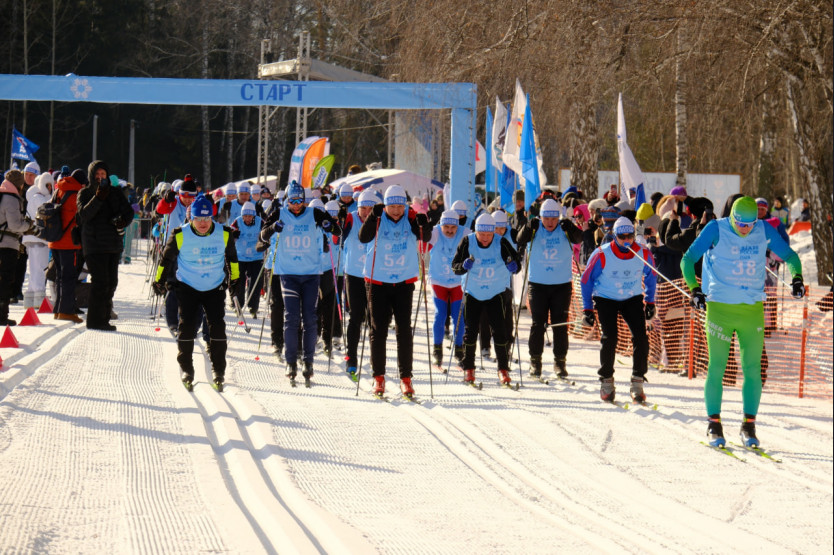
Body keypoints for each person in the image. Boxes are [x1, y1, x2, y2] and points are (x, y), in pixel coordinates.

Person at [681, 196, 804, 448]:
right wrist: (694, 289)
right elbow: (687, 260)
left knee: (752, 369)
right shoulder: (716, 228)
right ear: (732, 218)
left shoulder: (763, 229)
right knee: (717, 367)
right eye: (740, 224)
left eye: (750, 224)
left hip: (751, 311)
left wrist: (797, 278)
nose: (746, 229)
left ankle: (749, 425)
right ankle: (714, 424)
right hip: (720, 309)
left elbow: (791, 256)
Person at [153, 194, 239, 392]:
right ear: (191, 218)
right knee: (187, 327)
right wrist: (159, 280)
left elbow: (232, 260)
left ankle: (219, 370)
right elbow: (166, 260)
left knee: (217, 328)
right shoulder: (180, 234)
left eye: (207, 218)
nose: (203, 223)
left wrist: (234, 280)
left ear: (212, 217)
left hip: (214, 286)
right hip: (188, 286)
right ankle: (186, 369)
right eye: (198, 218)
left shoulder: (224, 233)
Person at [260, 181, 340, 383]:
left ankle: (308, 361)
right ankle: (290, 361)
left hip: (311, 274)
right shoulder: (279, 213)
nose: (296, 205)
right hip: (288, 274)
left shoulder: (314, 213)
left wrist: (329, 225)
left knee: (310, 318)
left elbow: (337, 231)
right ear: (287, 200)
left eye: (299, 201)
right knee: (291, 317)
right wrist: (273, 228)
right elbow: (262, 236)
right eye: (292, 201)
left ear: (304, 200)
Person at [359, 184, 432, 397]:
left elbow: (426, 237)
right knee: (378, 330)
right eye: (392, 206)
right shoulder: (378, 217)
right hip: (378, 281)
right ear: (386, 206)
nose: (396, 211)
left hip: (403, 281)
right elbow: (363, 237)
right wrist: (372, 217)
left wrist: (423, 223)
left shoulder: (410, 217)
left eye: (400, 206)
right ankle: (379, 377)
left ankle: (406, 378)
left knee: (404, 330)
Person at [581, 216, 658, 403]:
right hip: (606, 298)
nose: (626, 241)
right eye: (622, 237)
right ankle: (606, 380)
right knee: (610, 337)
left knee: (640, 337)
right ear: (614, 236)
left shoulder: (643, 253)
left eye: (630, 236)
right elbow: (586, 280)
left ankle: (637, 381)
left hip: (631, 297)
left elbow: (651, 276)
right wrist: (587, 308)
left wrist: (650, 302)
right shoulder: (602, 254)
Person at [516, 198, 582, 380]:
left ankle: (560, 362)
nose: (550, 222)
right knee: (538, 324)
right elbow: (519, 239)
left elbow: (579, 238)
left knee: (560, 325)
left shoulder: (564, 229)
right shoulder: (535, 228)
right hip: (538, 285)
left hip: (561, 285)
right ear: (541, 217)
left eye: (554, 218)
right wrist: (528, 227)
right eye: (546, 218)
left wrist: (571, 227)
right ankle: (535, 361)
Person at [451, 213, 521, 386]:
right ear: (476, 232)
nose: (485, 238)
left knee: (500, 331)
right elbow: (455, 267)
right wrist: (463, 266)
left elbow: (517, 264)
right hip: (473, 292)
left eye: (489, 235)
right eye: (481, 234)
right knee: (470, 332)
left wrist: (514, 266)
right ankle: (469, 368)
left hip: (495, 292)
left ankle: (503, 369)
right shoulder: (467, 241)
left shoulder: (501, 242)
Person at [76, 160, 134, 331]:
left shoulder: (115, 192)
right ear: (91, 176)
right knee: (100, 282)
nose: (100, 177)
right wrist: (98, 197)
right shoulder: (85, 193)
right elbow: (84, 215)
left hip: (113, 244)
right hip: (93, 244)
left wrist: (122, 221)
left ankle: (105, 317)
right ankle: (95, 320)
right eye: (97, 174)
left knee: (111, 282)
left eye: (103, 174)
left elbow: (129, 212)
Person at [155, 175, 200, 334]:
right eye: (184, 196)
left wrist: (210, 203)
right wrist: (166, 200)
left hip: (192, 250)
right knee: (172, 285)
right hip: (173, 247)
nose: (187, 200)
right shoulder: (174, 202)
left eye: (191, 197)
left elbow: (212, 213)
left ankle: (190, 321)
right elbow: (160, 209)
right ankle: (172, 321)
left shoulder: (197, 205)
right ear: (179, 194)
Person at [339, 189, 376, 376]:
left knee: (374, 318)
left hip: (374, 275)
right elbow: (338, 237)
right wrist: (339, 223)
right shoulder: (351, 218)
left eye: (370, 208)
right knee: (355, 316)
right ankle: (351, 357)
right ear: (358, 207)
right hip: (354, 274)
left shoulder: (379, 220)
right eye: (363, 208)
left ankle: (375, 357)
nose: (366, 212)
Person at [427, 209, 466, 371]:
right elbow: (422, 245)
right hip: (438, 281)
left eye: (453, 227)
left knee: (458, 316)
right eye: (446, 227)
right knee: (440, 314)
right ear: (441, 225)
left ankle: (459, 349)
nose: (449, 231)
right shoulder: (435, 232)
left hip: (457, 282)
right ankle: (437, 349)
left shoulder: (465, 233)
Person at [49, 169, 85, 322]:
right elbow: (81, 218)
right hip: (69, 242)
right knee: (69, 277)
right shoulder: (76, 195)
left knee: (59, 277)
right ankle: (67, 311)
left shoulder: (59, 190)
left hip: (54, 240)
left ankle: (58, 310)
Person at [0, 169, 36, 325]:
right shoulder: (11, 198)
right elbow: (15, 225)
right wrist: (28, 225)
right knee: (5, 280)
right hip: (7, 244)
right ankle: (2, 316)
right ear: (18, 184)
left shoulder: (1, 195)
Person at [23, 170, 53, 309]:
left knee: (34, 269)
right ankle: (39, 298)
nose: (50, 188)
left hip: (30, 237)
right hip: (40, 238)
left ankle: (30, 297)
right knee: (40, 268)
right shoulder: (41, 199)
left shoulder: (33, 197)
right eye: (48, 185)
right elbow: (48, 213)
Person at [229, 201, 263, 317]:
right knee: (239, 282)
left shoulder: (259, 221)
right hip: (240, 256)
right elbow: (230, 232)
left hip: (256, 257)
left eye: (250, 216)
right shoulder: (238, 221)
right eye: (245, 216)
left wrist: (264, 240)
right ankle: (238, 305)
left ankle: (253, 306)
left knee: (255, 282)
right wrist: (233, 235)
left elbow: (267, 231)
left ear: (254, 215)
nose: (247, 218)